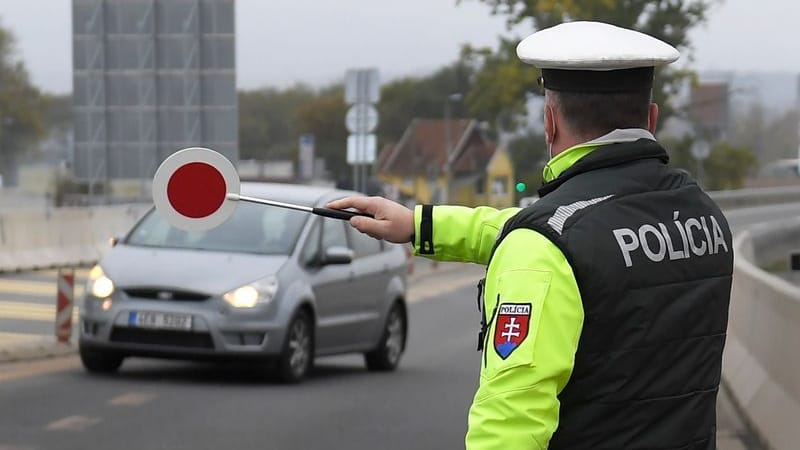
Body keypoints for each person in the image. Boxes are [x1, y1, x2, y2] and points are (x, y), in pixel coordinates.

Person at [328, 21, 733, 450]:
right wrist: (418, 225)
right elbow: (575, 240)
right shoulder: (702, 215)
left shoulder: (550, 243)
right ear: (651, 118)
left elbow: (511, 425)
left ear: (550, 121)